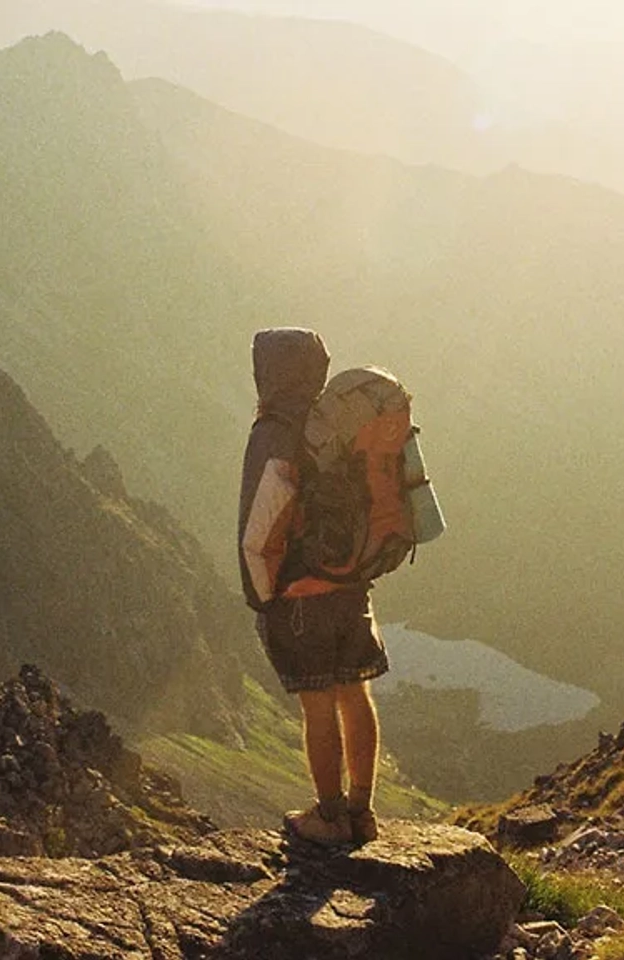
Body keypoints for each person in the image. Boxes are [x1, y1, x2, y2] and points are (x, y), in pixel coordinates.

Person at [237, 327, 389, 846]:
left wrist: (263, 596)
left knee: (318, 706)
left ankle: (327, 816)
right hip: (352, 586)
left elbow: (260, 522)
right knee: (356, 692)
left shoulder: (275, 431)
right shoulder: (339, 422)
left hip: (301, 596)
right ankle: (362, 812)